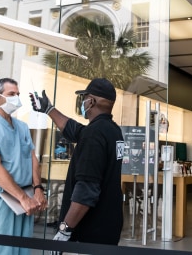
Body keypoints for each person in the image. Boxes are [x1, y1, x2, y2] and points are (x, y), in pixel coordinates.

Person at [30, 78, 125, 247]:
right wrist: (48, 109)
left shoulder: (94, 134)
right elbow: (74, 130)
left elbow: (86, 192)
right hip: (108, 227)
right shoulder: (113, 130)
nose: (82, 102)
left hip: (89, 233)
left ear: (91, 101)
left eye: (84, 97)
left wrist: (64, 230)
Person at [0, 78, 47, 255]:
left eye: (18, 94)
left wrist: (37, 188)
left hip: (24, 195)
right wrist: (23, 198)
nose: (16, 99)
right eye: (11, 94)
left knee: (21, 250)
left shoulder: (22, 127)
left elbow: (32, 158)